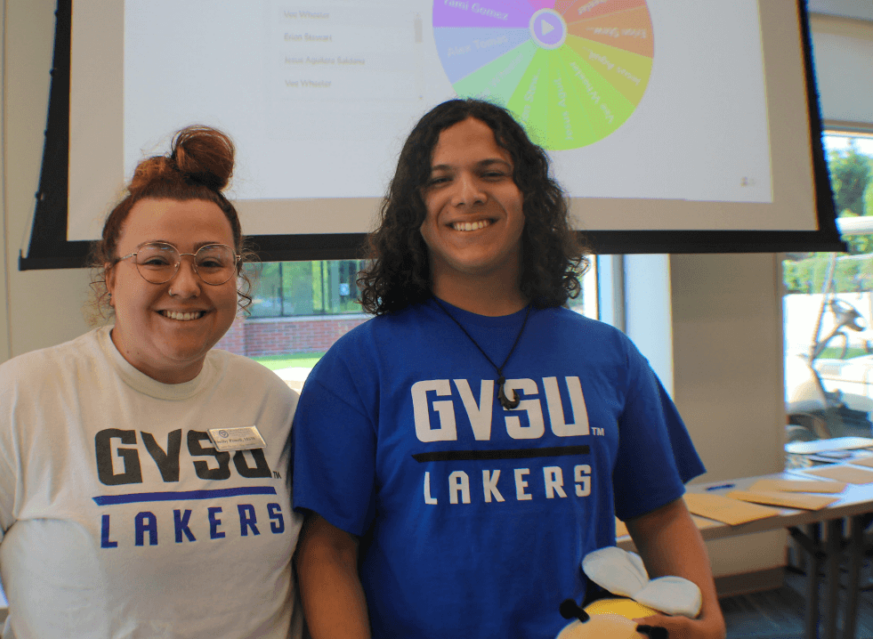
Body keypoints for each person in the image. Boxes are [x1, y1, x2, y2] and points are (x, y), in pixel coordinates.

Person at [292, 99, 726, 639]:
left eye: (492, 173)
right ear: (414, 212)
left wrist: (707, 622)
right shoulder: (357, 366)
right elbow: (328, 549)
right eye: (438, 179)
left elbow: (660, 513)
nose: (467, 194)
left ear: (529, 199)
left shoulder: (610, 355)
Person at [0, 126, 303, 639]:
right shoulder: (18, 399)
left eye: (210, 262)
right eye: (157, 260)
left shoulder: (269, 401)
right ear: (111, 279)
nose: (186, 284)